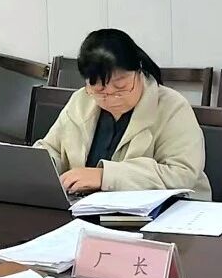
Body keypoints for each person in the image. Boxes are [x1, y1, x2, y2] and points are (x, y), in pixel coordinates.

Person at [33, 28, 211, 199]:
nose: (111, 99)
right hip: (87, 208)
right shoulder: (81, 101)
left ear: (138, 70)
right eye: (100, 91)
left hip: (165, 212)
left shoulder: (172, 107)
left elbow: (181, 173)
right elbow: (51, 149)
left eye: (121, 88)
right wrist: (40, 167)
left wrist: (105, 177)